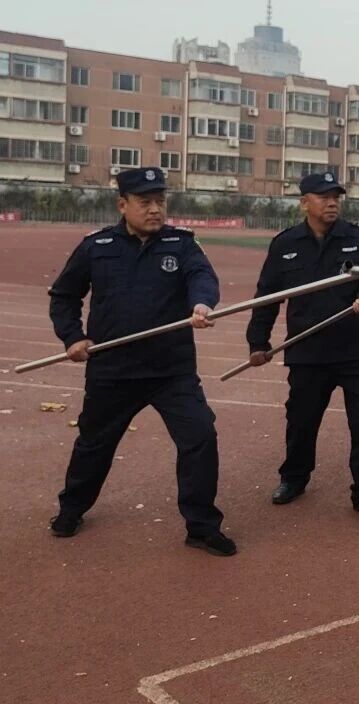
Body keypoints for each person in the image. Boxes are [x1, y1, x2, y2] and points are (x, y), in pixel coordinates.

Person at [47, 167, 234, 555]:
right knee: (94, 443)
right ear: (123, 204)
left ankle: (201, 526)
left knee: (200, 437)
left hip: (171, 370)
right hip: (112, 370)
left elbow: (202, 277)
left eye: (160, 201)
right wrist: (73, 337)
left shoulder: (182, 244)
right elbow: (64, 296)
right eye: (145, 202)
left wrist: (202, 303)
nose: (155, 209)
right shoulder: (96, 246)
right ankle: (72, 508)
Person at [245, 171, 359, 521]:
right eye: (324, 197)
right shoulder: (285, 244)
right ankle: (294, 478)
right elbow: (267, 295)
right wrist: (258, 341)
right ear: (304, 202)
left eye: (336, 197)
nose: (332, 203)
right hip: (308, 350)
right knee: (301, 420)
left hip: (358, 349)